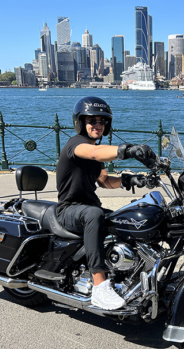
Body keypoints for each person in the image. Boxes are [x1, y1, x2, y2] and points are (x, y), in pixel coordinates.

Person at [56, 96, 156, 310]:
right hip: (69, 210)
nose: (98, 125)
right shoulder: (76, 144)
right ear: (81, 122)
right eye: (92, 121)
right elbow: (93, 152)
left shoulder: (96, 155)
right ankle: (99, 287)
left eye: (102, 121)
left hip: (89, 208)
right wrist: (129, 150)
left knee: (127, 219)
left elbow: (106, 181)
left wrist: (133, 179)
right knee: (95, 215)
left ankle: (132, 274)